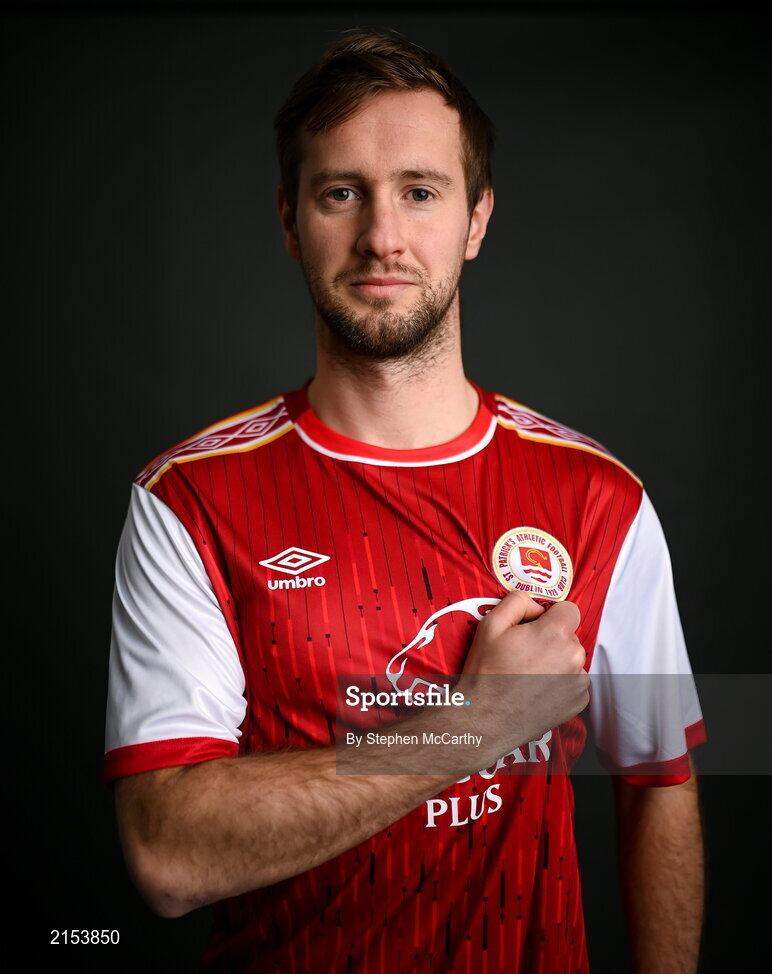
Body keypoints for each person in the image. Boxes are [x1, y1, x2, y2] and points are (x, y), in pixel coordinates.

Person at [105, 29, 706, 973]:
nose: (382, 234)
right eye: (341, 192)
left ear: (476, 219)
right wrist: (473, 727)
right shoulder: (190, 500)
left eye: (420, 192)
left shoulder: (599, 497)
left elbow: (659, 777)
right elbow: (168, 856)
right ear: (290, 218)